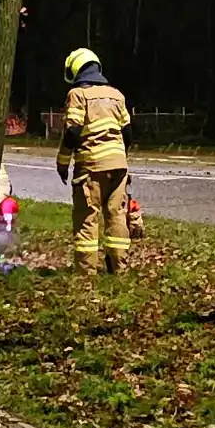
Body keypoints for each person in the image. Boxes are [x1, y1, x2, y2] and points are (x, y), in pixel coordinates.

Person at [56, 48, 133, 274]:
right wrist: (119, 157)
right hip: (118, 166)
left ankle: (86, 274)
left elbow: (73, 132)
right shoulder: (117, 95)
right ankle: (119, 270)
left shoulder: (78, 95)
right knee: (116, 215)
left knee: (87, 219)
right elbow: (127, 132)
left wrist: (62, 162)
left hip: (91, 167)